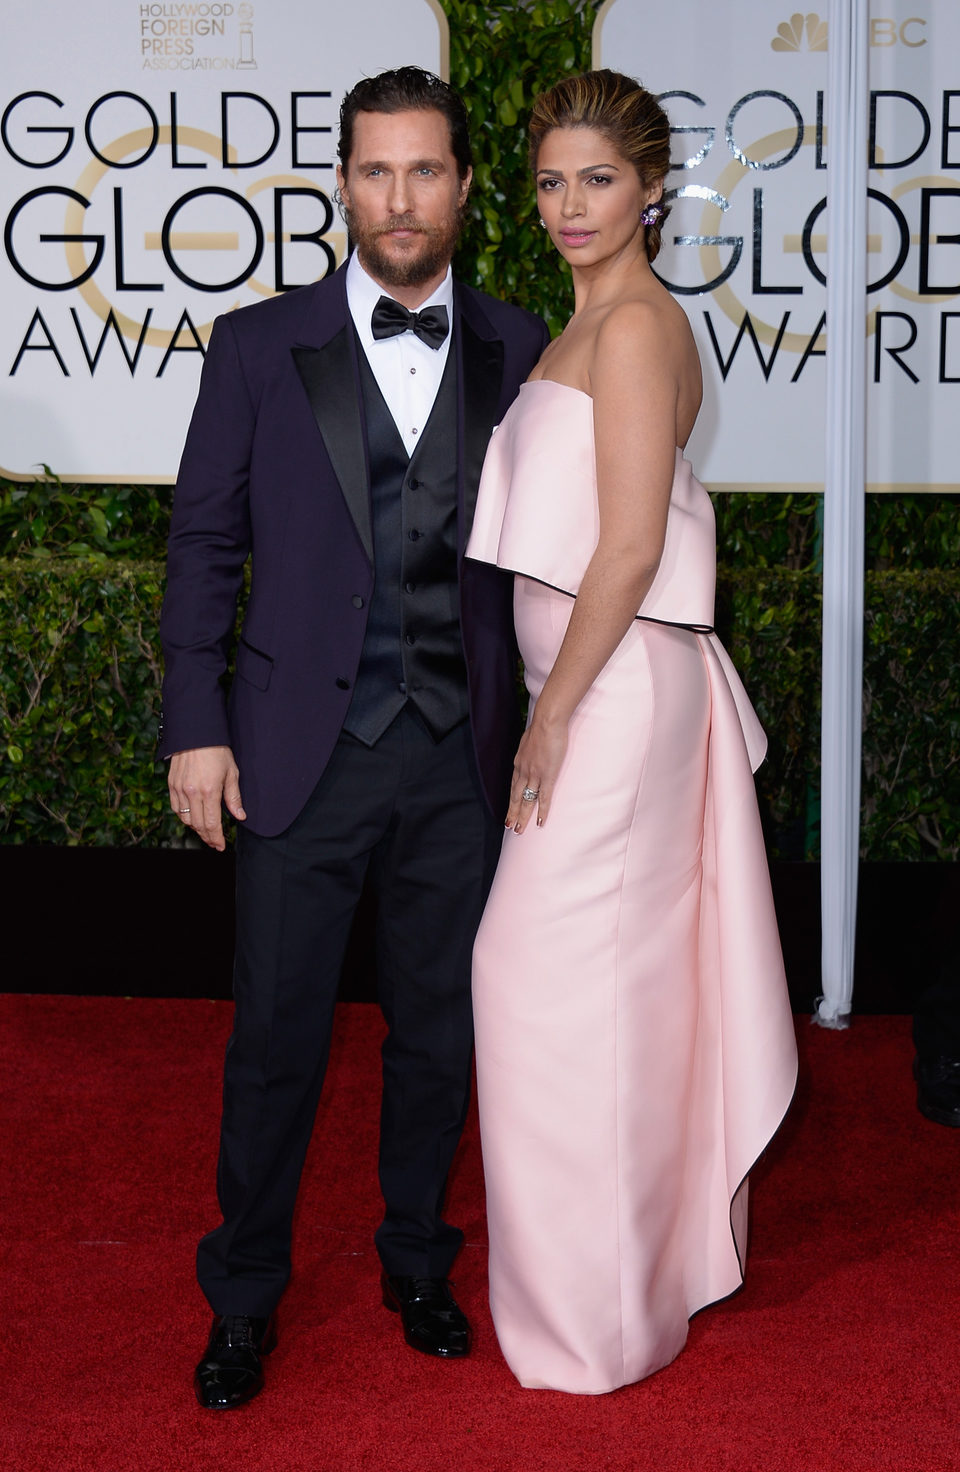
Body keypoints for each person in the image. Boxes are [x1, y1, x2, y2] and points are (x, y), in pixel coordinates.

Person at [159, 66, 549, 1410]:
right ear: (342, 184)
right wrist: (196, 726)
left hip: (459, 755)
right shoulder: (258, 347)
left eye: (425, 171)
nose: (400, 198)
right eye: (375, 171)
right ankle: (244, 1297)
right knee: (276, 1035)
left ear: (463, 188)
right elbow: (204, 544)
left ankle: (417, 1263)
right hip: (290, 750)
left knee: (440, 1029)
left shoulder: (518, 342)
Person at [466, 70, 798, 1394]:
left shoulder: (640, 329)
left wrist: (548, 720)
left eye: (598, 179)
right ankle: (621, 1284)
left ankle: (598, 1317)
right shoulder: (582, 326)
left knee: (540, 986)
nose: (571, 205)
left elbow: (631, 547)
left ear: (654, 189)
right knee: (591, 995)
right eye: (551, 180)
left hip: (613, 700)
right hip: (593, 694)